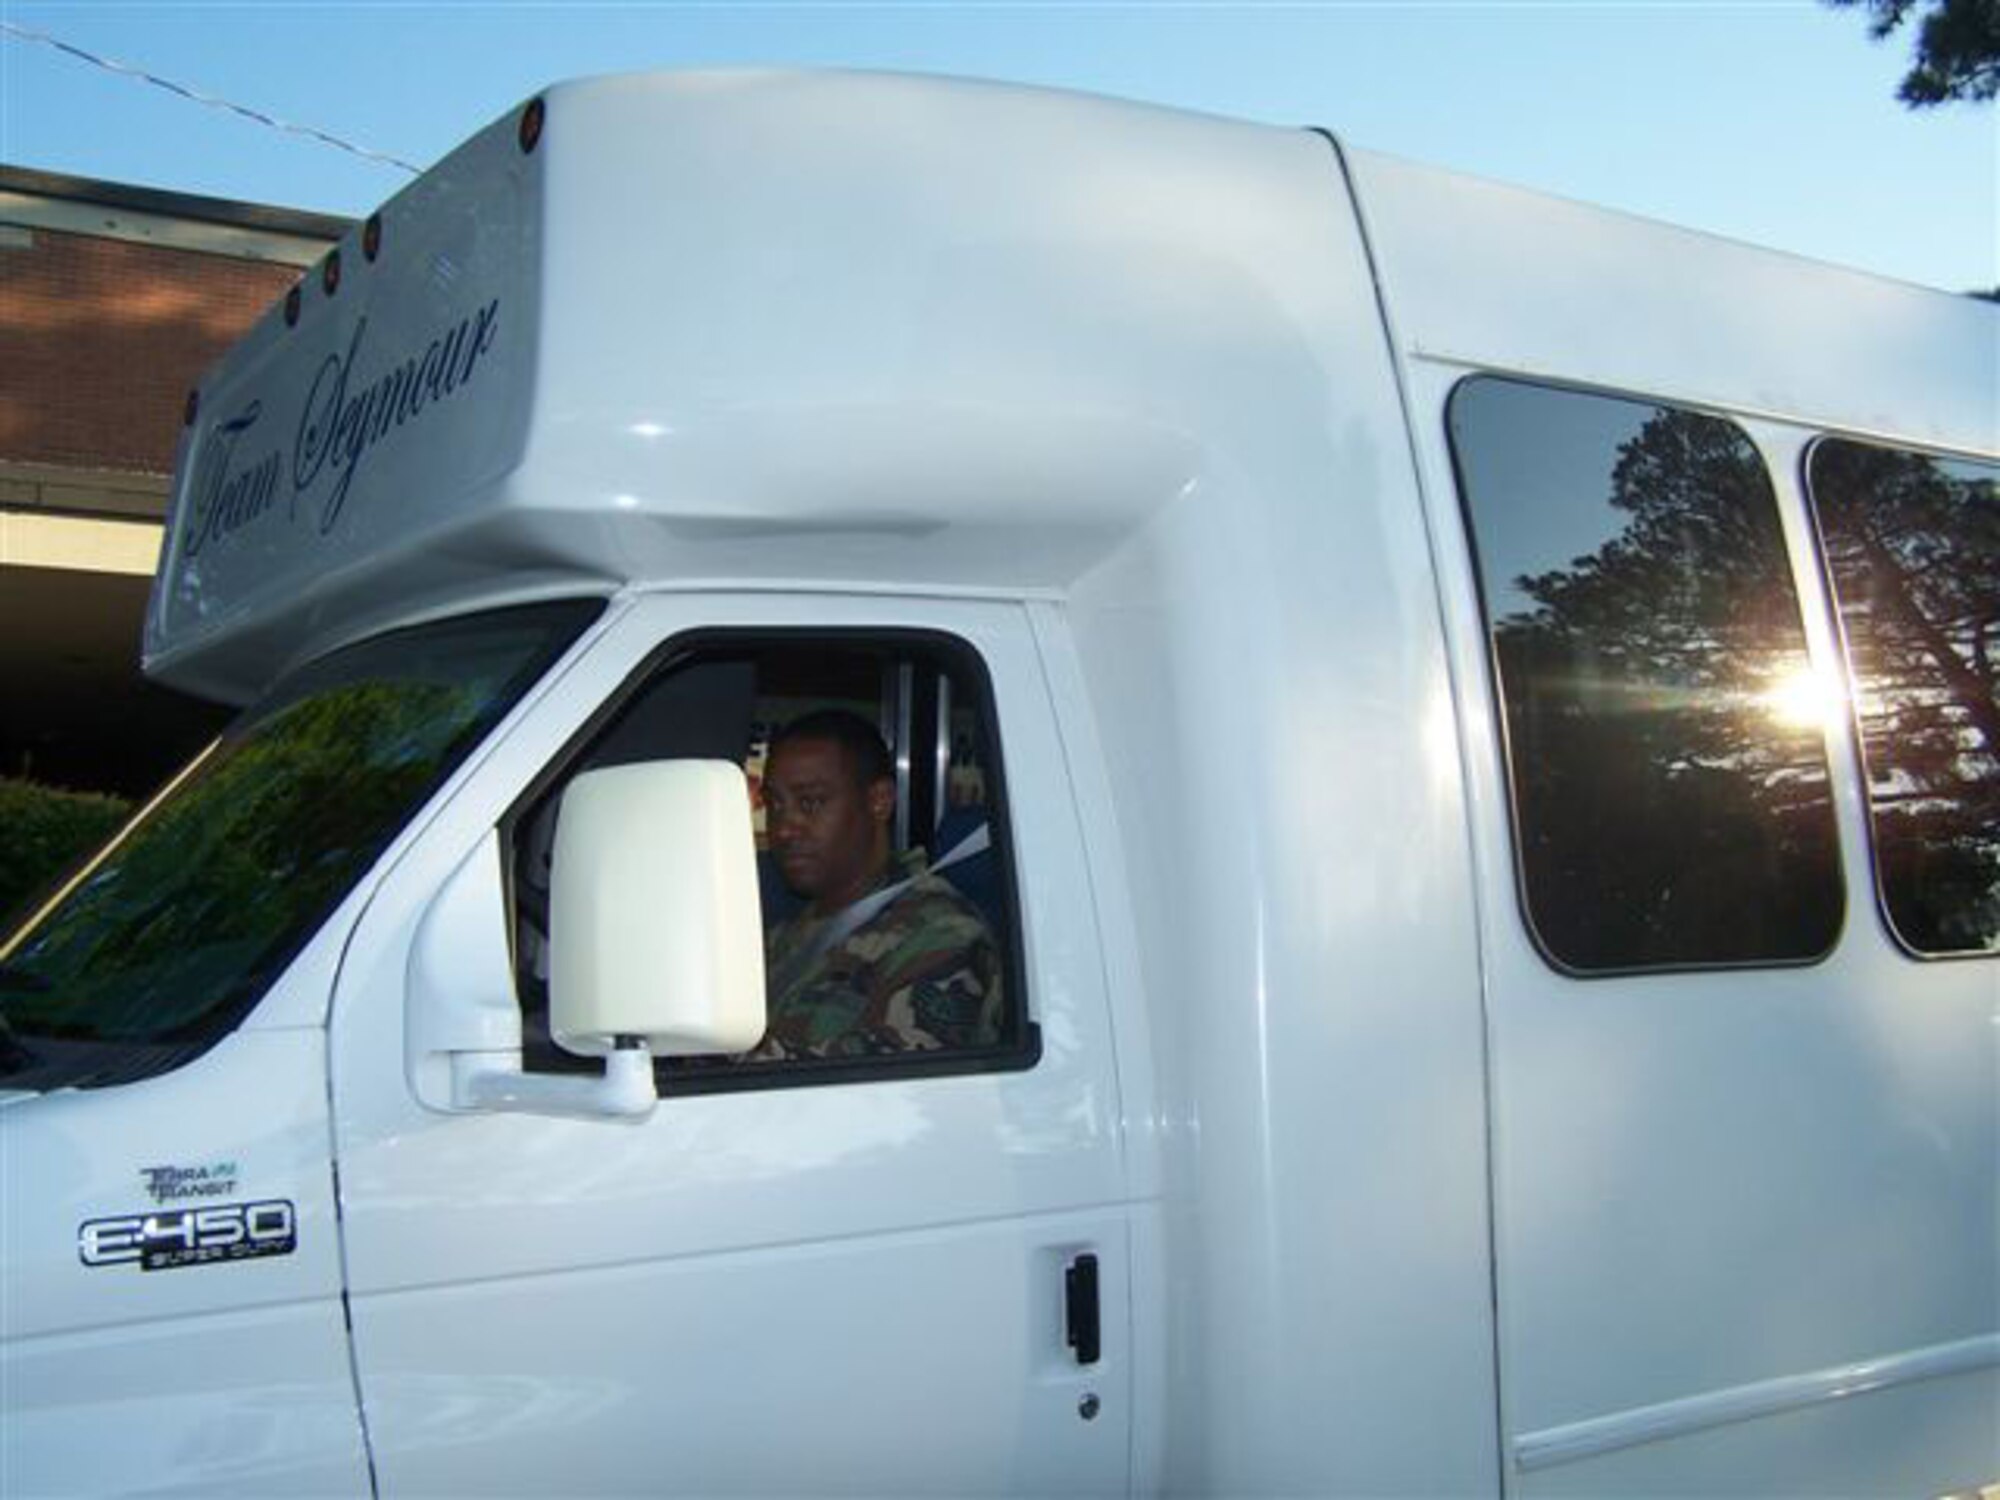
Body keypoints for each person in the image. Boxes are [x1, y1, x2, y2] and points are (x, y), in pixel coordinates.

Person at [750, 709, 1002, 1059]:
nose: (784, 828)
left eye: (810, 803)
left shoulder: (943, 934)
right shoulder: (782, 936)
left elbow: (895, 1086)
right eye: (775, 805)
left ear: (879, 801)